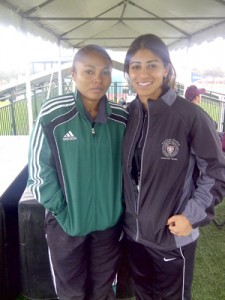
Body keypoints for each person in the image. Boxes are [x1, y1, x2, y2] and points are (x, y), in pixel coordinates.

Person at [122, 34, 225, 300]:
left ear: (166, 69)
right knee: (143, 295)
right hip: (135, 235)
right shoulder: (127, 115)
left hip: (172, 237)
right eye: (135, 66)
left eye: (152, 65)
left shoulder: (190, 116)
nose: (143, 73)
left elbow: (216, 173)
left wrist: (190, 216)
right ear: (128, 72)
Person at [27, 44, 128, 300]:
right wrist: (63, 211)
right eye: (89, 71)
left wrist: (117, 207)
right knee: (71, 293)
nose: (98, 79)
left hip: (108, 225)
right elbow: (39, 172)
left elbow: (131, 169)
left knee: (103, 290)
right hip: (65, 224)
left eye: (105, 72)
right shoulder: (53, 114)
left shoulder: (121, 118)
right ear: (73, 74)